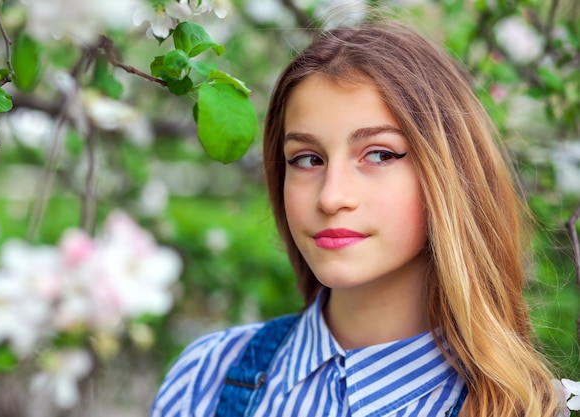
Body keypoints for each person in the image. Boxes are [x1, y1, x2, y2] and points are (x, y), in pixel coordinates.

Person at [150, 16, 560, 417]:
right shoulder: (207, 378)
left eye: (379, 154)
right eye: (307, 159)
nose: (331, 197)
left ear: (449, 171)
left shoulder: (523, 407)